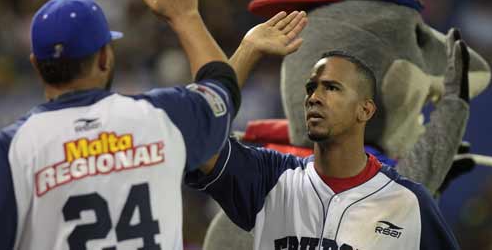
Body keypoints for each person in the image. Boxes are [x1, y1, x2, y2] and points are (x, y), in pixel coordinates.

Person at [0, 0, 306, 250]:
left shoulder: (11, 150)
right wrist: (186, 17)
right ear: (106, 56)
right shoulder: (160, 118)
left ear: (36, 65)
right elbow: (220, 89)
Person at [186, 48, 464, 249]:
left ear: (365, 109)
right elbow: (197, 136)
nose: (314, 98)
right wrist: (249, 48)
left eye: (331, 88)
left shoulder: (409, 203)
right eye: (310, 88)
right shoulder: (270, 178)